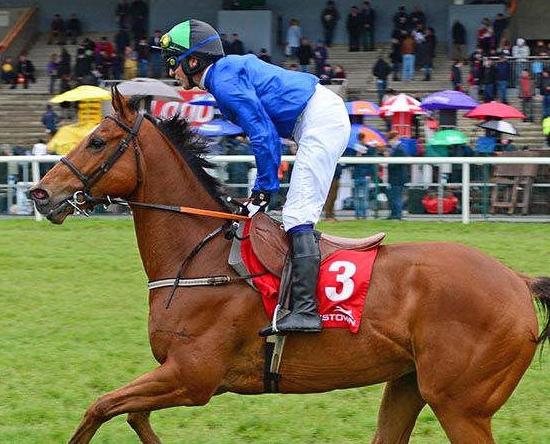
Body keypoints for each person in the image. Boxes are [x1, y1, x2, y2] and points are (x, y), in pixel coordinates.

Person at [157, 19, 349, 335]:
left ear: (193, 61)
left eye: (173, 63)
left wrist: (263, 191)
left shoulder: (223, 81)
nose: (171, 72)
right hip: (316, 117)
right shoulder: (223, 76)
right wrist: (261, 191)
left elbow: (264, 135)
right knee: (292, 212)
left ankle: (306, 311)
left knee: (298, 214)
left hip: (320, 119)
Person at [384, 131, 407, 219]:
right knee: (393, 197)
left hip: (398, 177)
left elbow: (398, 164)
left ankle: (397, 215)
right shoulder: (396, 148)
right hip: (395, 177)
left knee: (396, 197)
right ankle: (394, 214)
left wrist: (388, 159)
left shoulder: (400, 149)